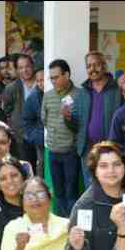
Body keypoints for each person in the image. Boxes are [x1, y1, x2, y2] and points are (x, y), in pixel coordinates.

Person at [70, 52, 123, 189]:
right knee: (91, 188)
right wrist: (68, 118)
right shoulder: (82, 93)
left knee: (112, 186)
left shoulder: (117, 90)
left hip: (111, 148)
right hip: (88, 149)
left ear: (104, 66)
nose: (92, 69)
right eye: (89, 66)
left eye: (96, 65)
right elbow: (75, 125)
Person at [41, 59, 81, 217]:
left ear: (67, 75)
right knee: (58, 192)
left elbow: (81, 126)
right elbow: (43, 119)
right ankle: (62, 224)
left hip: (71, 152)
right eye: (51, 78)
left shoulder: (79, 95)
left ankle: (72, 224)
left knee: (71, 192)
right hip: (52, 151)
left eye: (56, 77)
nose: (53, 81)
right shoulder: (48, 95)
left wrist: (68, 119)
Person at [0, 54, 37, 163]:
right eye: (20, 68)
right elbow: (6, 108)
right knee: (25, 164)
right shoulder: (12, 88)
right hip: (21, 135)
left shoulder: (41, 83)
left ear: (33, 66)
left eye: (28, 66)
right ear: (16, 69)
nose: (25, 70)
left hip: (39, 133)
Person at [23, 69, 46, 177]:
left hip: (60, 140)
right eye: (38, 81)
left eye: (43, 80)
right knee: (41, 164)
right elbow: (26, 120)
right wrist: (36, 137)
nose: (41, 83)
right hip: (41, 140)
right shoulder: (33, 97)